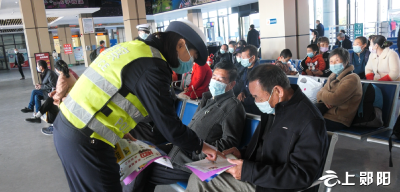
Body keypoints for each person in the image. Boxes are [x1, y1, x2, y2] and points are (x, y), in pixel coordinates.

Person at [52, 20, 221, 192]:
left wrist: (119, 130)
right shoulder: (153, 66)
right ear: (181, 44)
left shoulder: (132, 49)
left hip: (67, 127)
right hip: (87, 141)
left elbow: (108, 93)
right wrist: (202, 146)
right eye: (192, 57)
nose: (190, 64)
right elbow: (168, 125)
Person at [186, 64, 329, 192]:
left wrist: (249, 172)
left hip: (273, 186)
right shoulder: (275, 109)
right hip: (259, 176)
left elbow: (302, 175)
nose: (255, 102)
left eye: (257, 97)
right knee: (204, 173)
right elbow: (264, 147)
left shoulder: (309, 121)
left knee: (200, 180)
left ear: (277, 91)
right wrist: (242, 153)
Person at [126, 61, 245, 192]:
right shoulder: (209, 99)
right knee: (140, 156)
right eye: (214, 77)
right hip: (179, 148)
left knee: (142, 170)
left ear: (231, 85)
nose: (215, 81)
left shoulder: (233, 107)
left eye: (220, 79)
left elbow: (230, 142)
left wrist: (201, 153)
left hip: (192, 160)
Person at [25, 60, 77, 135]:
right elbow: (61, 89)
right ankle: (38, 116)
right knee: (47, 99)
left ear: (57, 69)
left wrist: (53, 97)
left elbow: (60, 93)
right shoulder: (68, 74)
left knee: (51, 104)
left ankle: (52, 125)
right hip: (70, 96)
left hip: (67, 99)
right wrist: (53, 93)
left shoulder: (62, 77)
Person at [317, 48, 362, 132]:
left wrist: (325, 96)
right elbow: (318, 94)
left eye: (337, 61)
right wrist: (326, 97)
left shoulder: (352, 78)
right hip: (326, 115)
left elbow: (334, 99)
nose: (333, 64)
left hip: (339, 119)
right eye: (331, 61)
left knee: (307, 125)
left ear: (346, 62)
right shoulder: (333, 75)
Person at [237, 45, 261, 115]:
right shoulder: (246, 68)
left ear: (252, 58)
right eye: (241, 57)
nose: (242, 59)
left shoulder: (259, 72)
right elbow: (245, 84)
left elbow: (259, 94)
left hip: (254, 108)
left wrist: (244, 100)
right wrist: (242, 92)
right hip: (246, 104)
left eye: (244, 57)